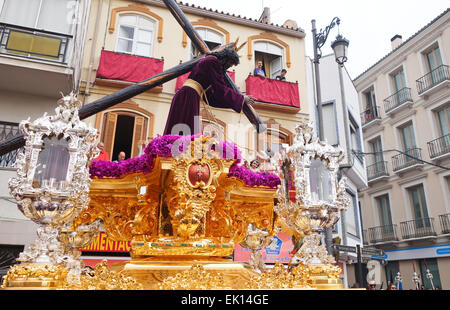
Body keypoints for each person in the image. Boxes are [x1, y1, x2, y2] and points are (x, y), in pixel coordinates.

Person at [163, 44, 255, 136]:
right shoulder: (213, 62)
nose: (228, 67)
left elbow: (211, 97)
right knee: (186, 130)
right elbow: (220, 88)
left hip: (187, 95)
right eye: (229, 63)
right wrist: (241, 98)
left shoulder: (209, 63)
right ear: (225, 58)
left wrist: (236, 102)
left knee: (181, 127)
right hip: (189, 96)